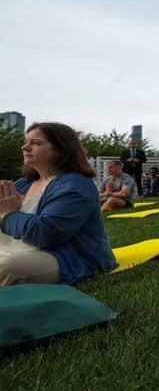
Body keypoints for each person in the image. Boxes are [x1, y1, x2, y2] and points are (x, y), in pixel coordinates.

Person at [0, 122, 117, 286]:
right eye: (26, 142)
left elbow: (47, 233)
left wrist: (6, 215)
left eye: (35, 143)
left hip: (64, 256)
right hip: (15, 249)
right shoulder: (24, 183)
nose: (24, 147)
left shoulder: (76, 184)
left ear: (60, 150)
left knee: (6, 268)